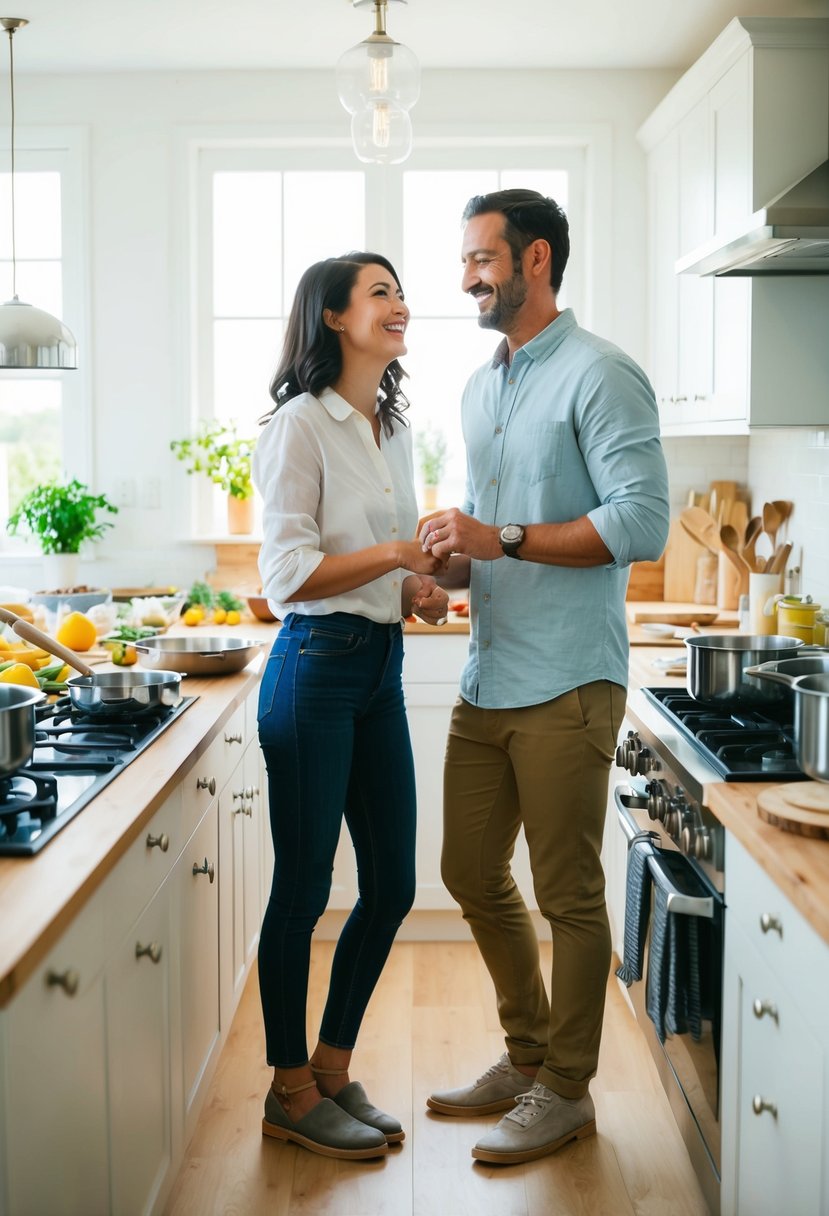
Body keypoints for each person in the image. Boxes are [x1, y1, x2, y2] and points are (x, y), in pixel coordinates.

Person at [419, 189, 670, 1165]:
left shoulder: (602, 374)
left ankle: (566, 1088)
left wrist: (504, 538)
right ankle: (526, 1059)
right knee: (468, 870)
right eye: (465, 260)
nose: (467, 278)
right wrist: (446, 567)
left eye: (482, 258)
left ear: (535, 262)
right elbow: (490, 526)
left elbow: (639, 525)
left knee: (565, 890)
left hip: (570, 680)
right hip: (490, 675)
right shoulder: (483, 388)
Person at [253, 251, 449, 1162]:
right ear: (333, 316)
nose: (399, 304)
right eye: (379, 292)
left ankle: (331, 1069)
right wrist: (395, 557)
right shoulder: (301, 425)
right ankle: (287, 1089)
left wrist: (415, 585)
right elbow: (288, 575)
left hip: (375, 665)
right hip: (313, 671)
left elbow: (378, 565)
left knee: (394, 885)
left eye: (400, 290)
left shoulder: (390, 428)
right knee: (302, 891)